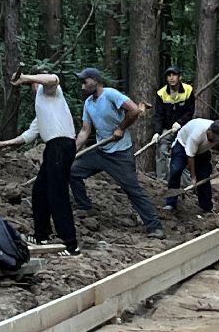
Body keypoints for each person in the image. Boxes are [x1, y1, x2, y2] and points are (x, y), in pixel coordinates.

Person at [0, 72, 80, 255]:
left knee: (57, 194)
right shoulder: (44, 108)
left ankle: (71, 245)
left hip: (61, 146)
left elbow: (52, 79)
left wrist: (26, 78)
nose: (33, 87)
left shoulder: (51, 92)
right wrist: (1, 145)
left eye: (34, 83)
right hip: (54, 148)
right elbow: (28, 135)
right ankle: (41, 235)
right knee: (39, 190)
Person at [70, 67, 166, 239]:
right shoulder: (88, 104)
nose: (83, 86)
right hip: (101, 151)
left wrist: (121, 128)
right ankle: (84, 207)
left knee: (132, 189)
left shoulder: (111, 94)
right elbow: (85, 130)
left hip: (120, 153)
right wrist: (72, 152)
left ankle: (155, 227)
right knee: (73, 171)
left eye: (85, 82)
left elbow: (134, 110)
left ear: (95, 80)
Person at [165, 119, 219, 213]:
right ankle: (170, 203)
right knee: (176, 171)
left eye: (218, 139)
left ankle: (206, 207)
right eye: (215, 138)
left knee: (204, 175)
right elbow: (190, 156)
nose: (216, 140)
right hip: (183, 145)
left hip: (202, 150)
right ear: (210, 131)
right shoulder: (197, 134)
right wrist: (193, 177)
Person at [153, 66, 195, 183]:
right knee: (161, 148)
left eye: (174, 75)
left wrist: (180, 122)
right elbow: (159, 115)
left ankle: (188, 182)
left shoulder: (188, 90)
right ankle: (161, 181)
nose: (171, 78)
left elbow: (190, 111)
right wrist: (157, 132)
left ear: (179, 77)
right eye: (169, 75)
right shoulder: (161, 93)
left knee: (184, 153)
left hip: (184, 128)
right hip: (168, 129)